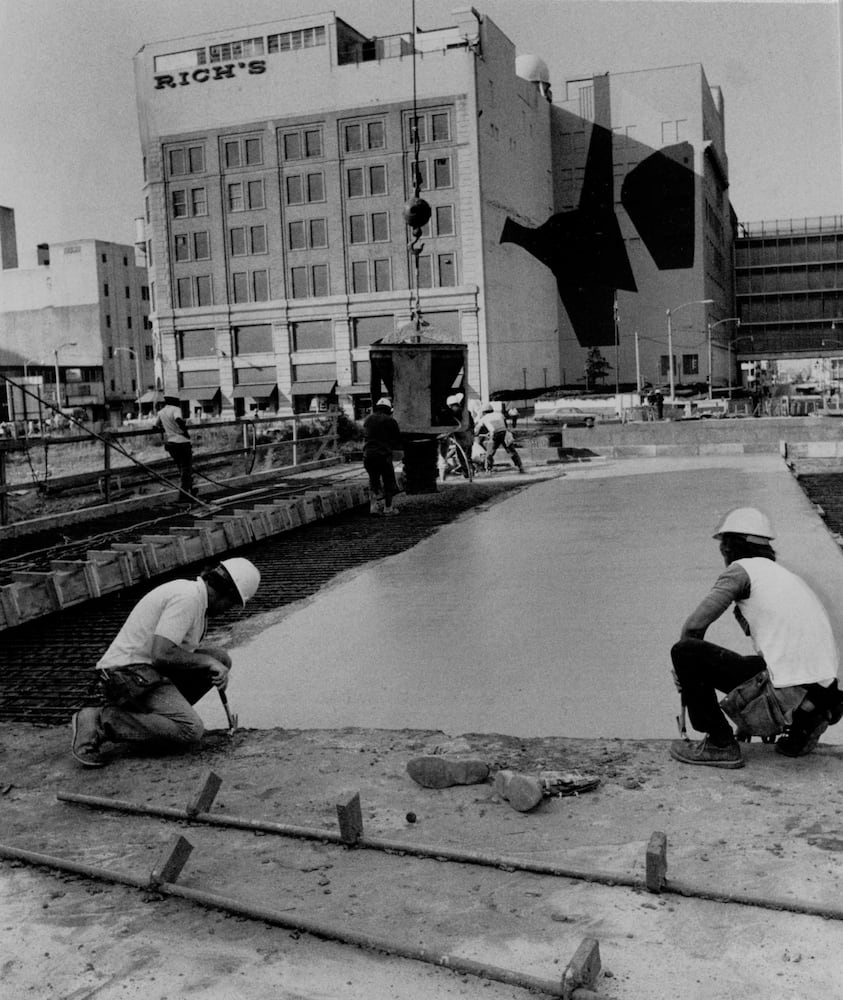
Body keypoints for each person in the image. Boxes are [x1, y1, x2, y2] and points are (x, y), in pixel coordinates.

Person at [669, 507, 843, 769]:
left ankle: (719, 743)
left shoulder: (740, 571)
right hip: (822, 689)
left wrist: (684, 675)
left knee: (685, 652)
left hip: (789, 691)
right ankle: (803, 725)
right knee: (761, 664)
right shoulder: (785, 576)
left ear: (728, 547)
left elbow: (693, 629)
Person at [70, 558, 261, 767]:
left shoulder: (197, 601)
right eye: (232, 604)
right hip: (127, 675)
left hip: (147, 673)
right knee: (190, 729)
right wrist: (206, 661)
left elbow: (172, 654)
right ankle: (100, 721)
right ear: (227, 592)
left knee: (220, 659)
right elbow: (162, 654)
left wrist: (210, 662)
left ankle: (160, 723)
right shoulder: (188, 598)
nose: (228, 610)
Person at [363, 397, 402, 516]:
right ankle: (388, 508)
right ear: (388, 409)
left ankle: (373, 507)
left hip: (368, 455)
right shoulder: (390, 420)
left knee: (373, 481)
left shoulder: (368, 419)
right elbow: (397, 439)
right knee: (388, 481)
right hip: (383, 455)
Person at [155, 395, 194, 501]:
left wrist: (167, 427)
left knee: (181, 468)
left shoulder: (161, 412)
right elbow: (178, 420)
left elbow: (156, 425)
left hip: (171, 443)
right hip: (182, 442)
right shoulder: (176, 409)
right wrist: (185, 432)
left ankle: (188, 490)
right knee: (186, 468)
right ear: (175, 401)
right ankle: (184, 494)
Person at [475, 403, 524, 474]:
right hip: (504, 433)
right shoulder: (500, 414)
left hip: (495, 435)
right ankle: (520, 467)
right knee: (511, 451)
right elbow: (505, 425)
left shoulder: (483, 418)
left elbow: (477, 430)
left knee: (489, 453)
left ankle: (488, 469)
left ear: (483, 412)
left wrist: (476, 434)